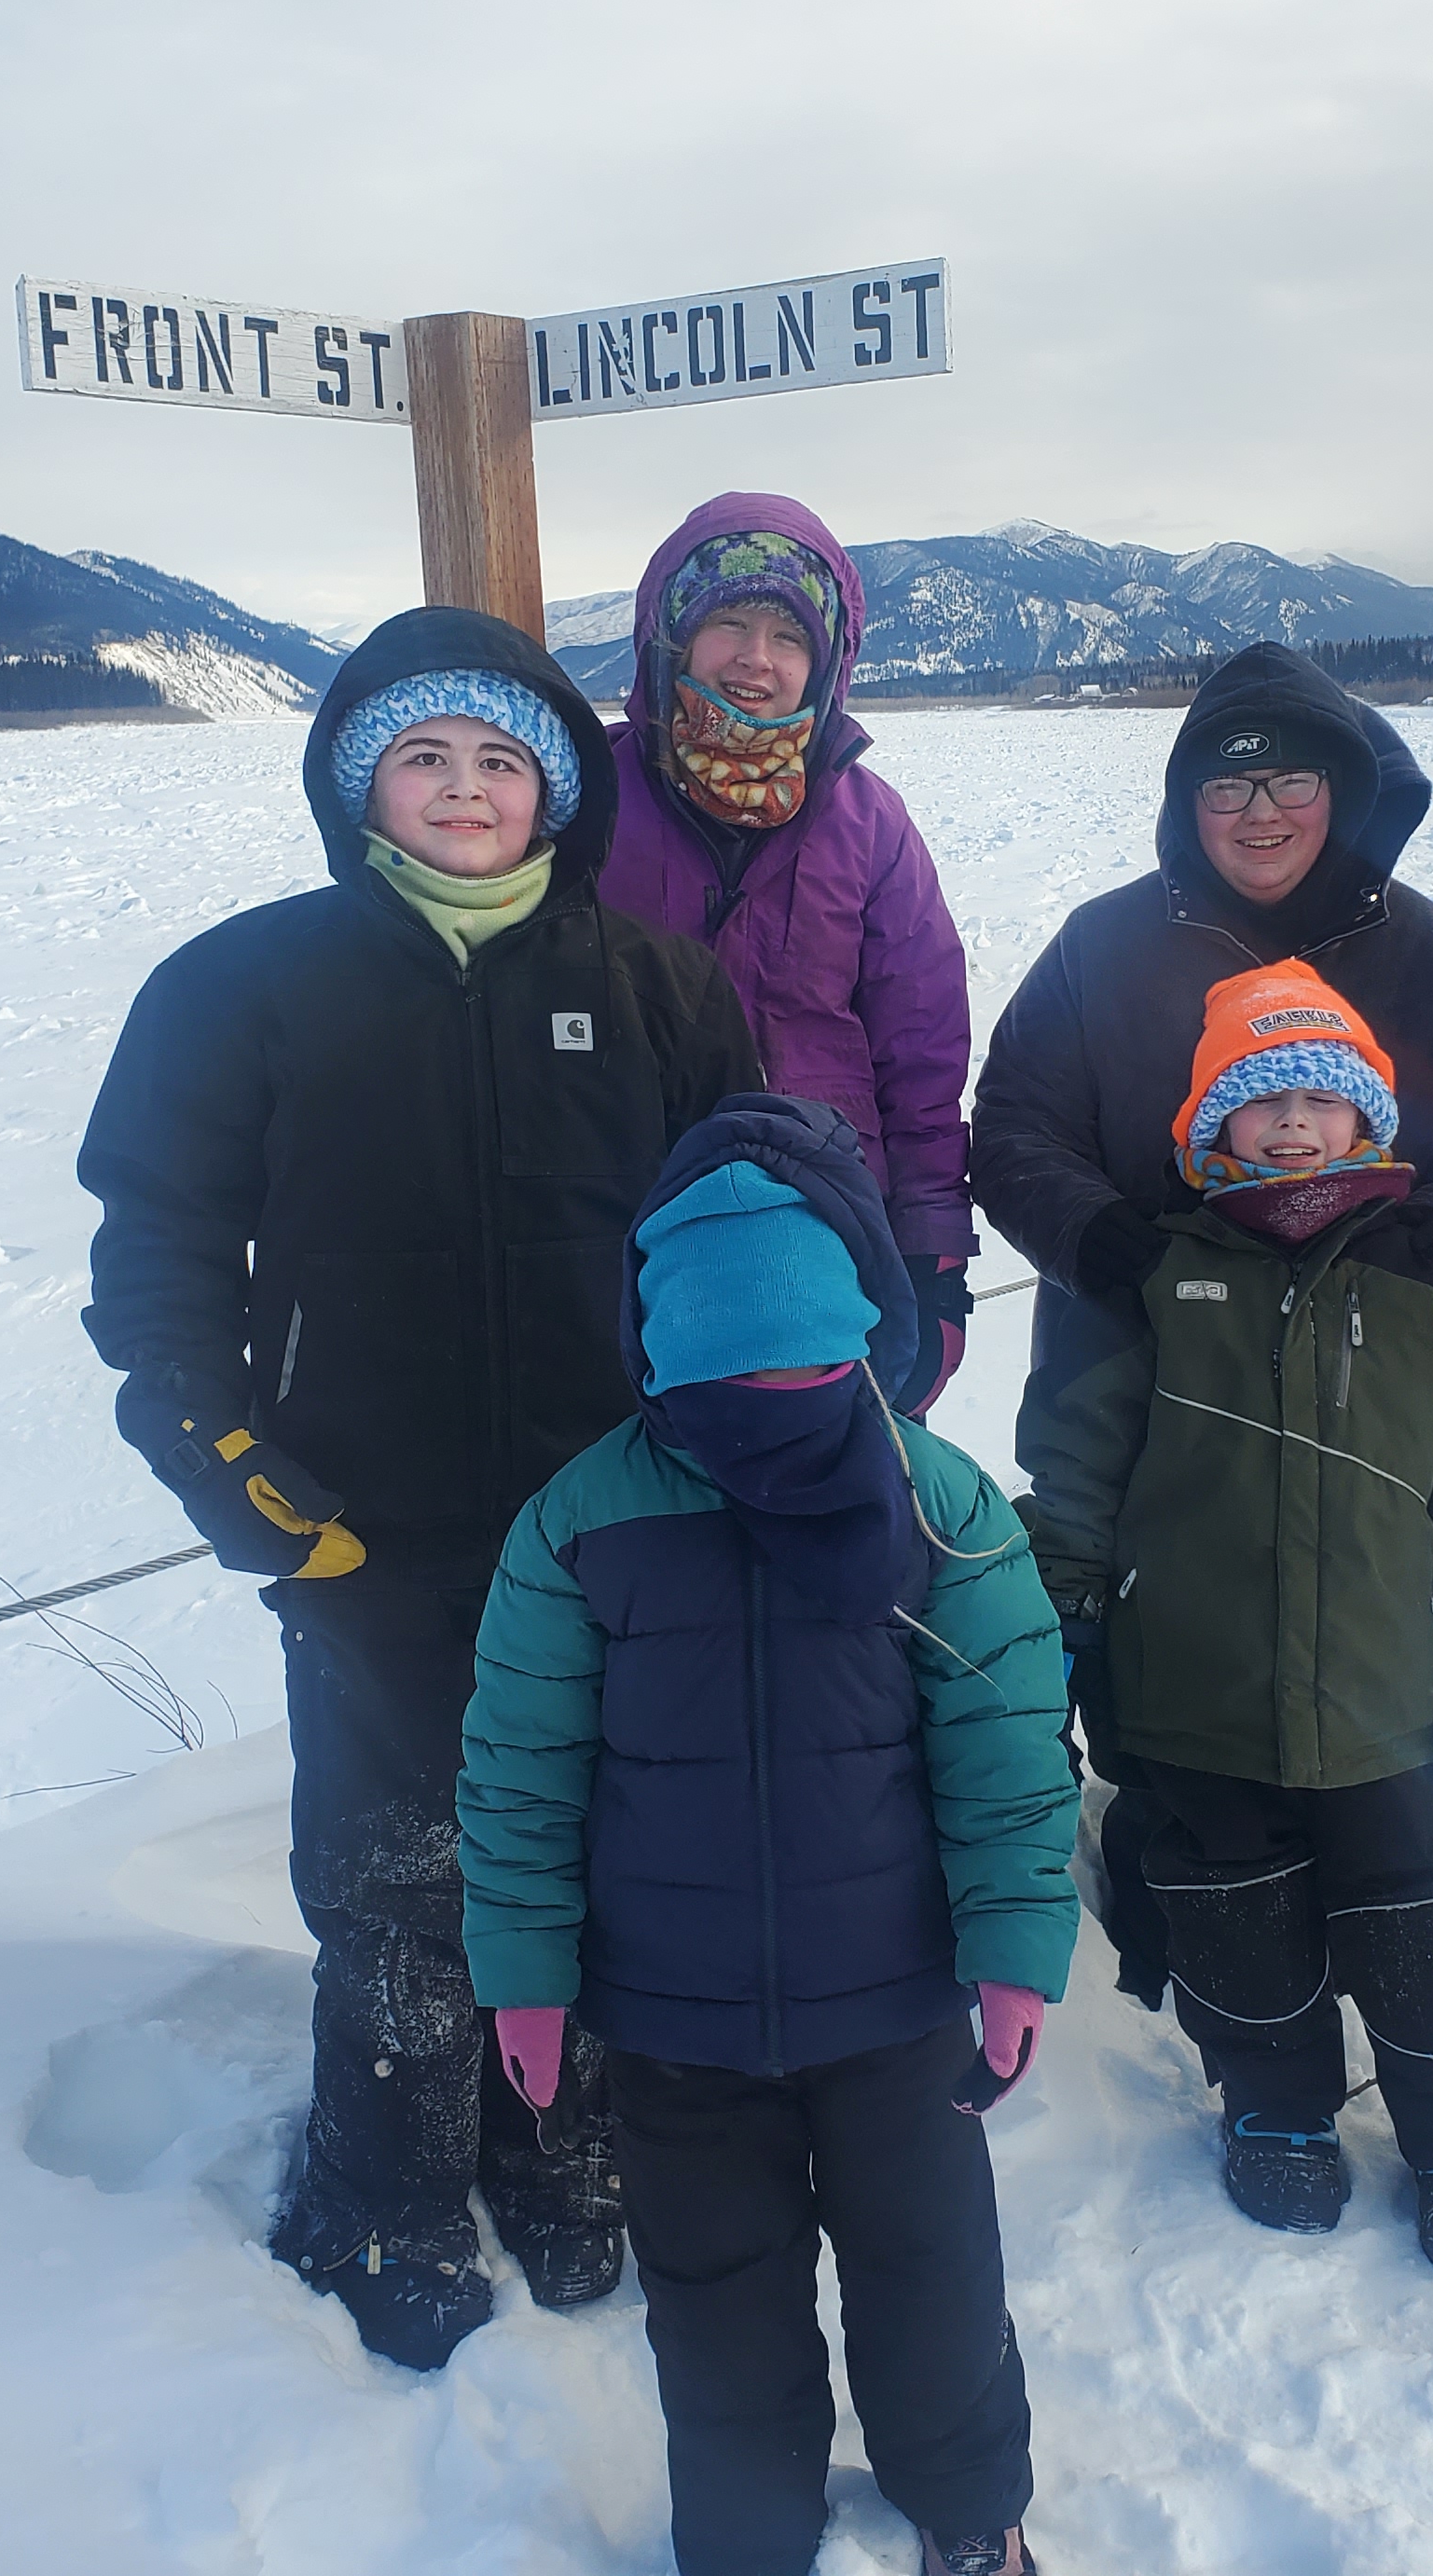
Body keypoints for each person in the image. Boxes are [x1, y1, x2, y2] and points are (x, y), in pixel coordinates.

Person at [76, 606, 763, 2369]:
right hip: (359, 1522)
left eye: (500, 757)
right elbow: (159, 1247)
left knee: (599, 1842)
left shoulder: (661, 988)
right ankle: (380, 2188)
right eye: (424, 754)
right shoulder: (243, 985)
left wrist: (745, 1442)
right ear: (358, 781)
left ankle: (565, 2146)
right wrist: (217, 1448)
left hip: (616, 1515)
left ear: (558, 790)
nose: (465, 789)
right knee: (399, 1872)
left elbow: (740, 1232)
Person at [458, 1092, 1075, 2576]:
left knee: (932, 2275)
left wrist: (1013, 1943)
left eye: (804, 1372)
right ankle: (745, 2534)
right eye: (735, 1386)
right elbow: (521, 1768)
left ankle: (966, 2505)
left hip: (896, 2006)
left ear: (861, 1339)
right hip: (677, 2024)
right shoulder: (579, 1525)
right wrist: (524, 1975)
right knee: (715, 2301)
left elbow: (1007, 1744)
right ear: (666, 1363)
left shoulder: (938, 1506)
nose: (771, 1415)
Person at [971, 641, 1433, 1998]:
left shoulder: (1428, 950)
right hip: (1145, 1365)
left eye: (1291, 783)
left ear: (1347, 789)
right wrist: (1104, 1242)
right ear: (1184, 802)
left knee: (1353, 1655)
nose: (1259, 812)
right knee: (1173, 1670)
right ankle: (1211, 1947)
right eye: (1226, 786)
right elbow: (1015, 1124)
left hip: (1365, 1375)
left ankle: (1373, 1919)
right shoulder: (1105, 946)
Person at [1015, 961, 1433, 2268]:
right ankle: (1277, 2111)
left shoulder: (1423, 1278)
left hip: (1379, 1699)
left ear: (1367, 1117)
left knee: (1422, 1916)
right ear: (1212, 1125)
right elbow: (1076, 1469)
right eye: (1263, 1101)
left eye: (1322, 1097)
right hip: (1193, 1689)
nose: (1295, 1123)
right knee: (1233, 1914)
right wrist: (1061, 1623)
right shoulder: (1152, 1276)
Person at [599, 494, 978, 1408]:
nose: (756, 658)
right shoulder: (588, 800)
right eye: (728, 623)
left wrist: (933, 1257)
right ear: (671, 637)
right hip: (618, 1222)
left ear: (827, 662)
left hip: (826, 1233)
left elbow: (922, 1059)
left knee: (828, 1481)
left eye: (788, 635)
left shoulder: (869, 822)